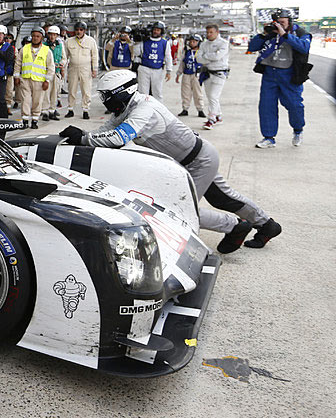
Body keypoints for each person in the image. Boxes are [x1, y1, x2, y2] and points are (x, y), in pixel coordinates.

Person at [60, 70, 282, 250]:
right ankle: (267, 225)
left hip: (198, 160)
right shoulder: (125, 110)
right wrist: (82, 136)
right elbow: (106, 130)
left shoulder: (144, 108)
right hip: (189, 160)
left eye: (107, 96)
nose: (105, 100)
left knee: (178, 212)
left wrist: (84, 138)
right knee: (223, 198)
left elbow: (118, 137)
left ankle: (234, 226)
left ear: (121, 92)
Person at [248, 9, 312, 148]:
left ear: (290, 21)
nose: (279, 25)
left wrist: (285, 35)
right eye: (277, 23)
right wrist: (265, 34)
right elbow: (252, 47)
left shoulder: (300, 33)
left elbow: (304, 48)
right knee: (266, 106)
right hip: (270, 73)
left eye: (282, 22)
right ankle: (269, 137)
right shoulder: (270, 34)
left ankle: (298, 130)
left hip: (289, 74)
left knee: (294, 105)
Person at [15, 27, 54, 129]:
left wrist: (47, 80)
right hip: (25, 79)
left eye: (38, 36)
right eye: (33, 36)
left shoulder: (47, 51)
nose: (35, 38)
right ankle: (25, 120)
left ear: (42, 38)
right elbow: (18, 63)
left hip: (39, 81)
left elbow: (50, 67)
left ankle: (35, 120)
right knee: (25, 100)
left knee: (37, 101)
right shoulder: (24, 49)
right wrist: (16, 76)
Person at [196, 23, 229, 129]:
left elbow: (218, 56)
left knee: (214, 96)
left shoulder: (224, 43)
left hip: (219, 73)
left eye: (211, 32)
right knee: (211, 96)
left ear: (217, 32)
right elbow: (198, 59)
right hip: (207, 73)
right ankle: (218, 116)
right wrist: (211, 56)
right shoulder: (203, 44)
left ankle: (211, 119)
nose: (209, 34)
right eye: (207, 32)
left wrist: (206, 56)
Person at [63, 21, 98, 120]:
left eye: (81, 30)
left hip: (86, 68)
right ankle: (70, 109)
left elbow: (94, 56)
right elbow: (65, 56)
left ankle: (85, 110)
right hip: (73, 68)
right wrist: (63, 68)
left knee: (86, 90)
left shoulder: (91, 41)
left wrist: (94, 69)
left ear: (85, 31)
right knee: (71, 89)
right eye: (77, 30)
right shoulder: (69, 41)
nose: (79, 32)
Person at [135, 20, 172, 101]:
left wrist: (169, 71)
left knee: (157, 92)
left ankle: (157, 111)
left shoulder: (165, 43)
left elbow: (168, 56)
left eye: (158, 30)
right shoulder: (144, 41)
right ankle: (143, 110)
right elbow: (136, 53)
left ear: (161, 32)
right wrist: (137, 42)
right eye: (154, 30)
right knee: (143, 92)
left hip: (157, 70)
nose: (156, 32)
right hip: (144, 68)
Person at [176, 34, 205, 118]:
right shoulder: (186, 52)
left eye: (194, 41)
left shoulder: (201, 52)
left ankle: (200, 109)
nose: (192, 43)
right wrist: (178, 74)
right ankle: (185, 109)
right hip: (186, 74)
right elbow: (182, 63)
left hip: (196, 75)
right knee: (185, 92)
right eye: (191, 41)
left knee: (198, 93)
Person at [44, 25, 66, 121]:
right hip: (46, 73)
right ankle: (44, 111)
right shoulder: (44, 45)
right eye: (51, 34)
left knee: (54, 92)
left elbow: (64, 58)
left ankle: (52, 111)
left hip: (56, 73)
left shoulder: (60, 46)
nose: (52, 37)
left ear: (57, 35)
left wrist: (61, 64)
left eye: (54, 35)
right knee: (46, 93)